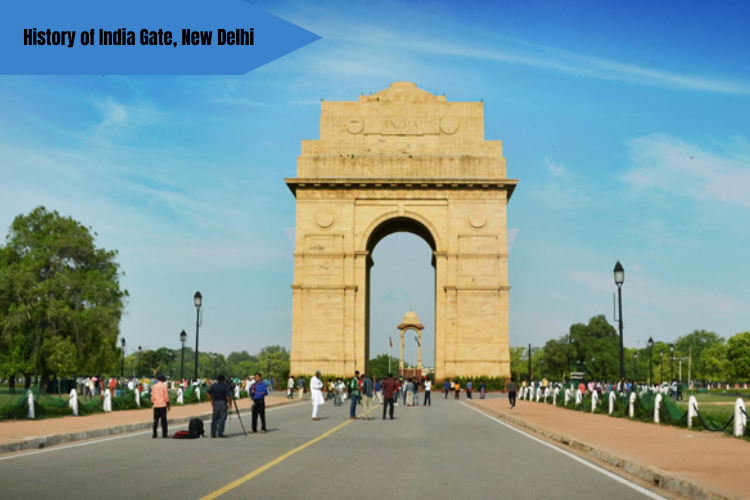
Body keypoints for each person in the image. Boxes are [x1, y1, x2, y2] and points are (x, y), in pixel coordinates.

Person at [207, 374, 232, 438]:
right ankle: (220, 433)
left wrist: (211, 401)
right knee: (222, 418)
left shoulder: (214, 386)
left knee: (214, 418)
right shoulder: (225, 386)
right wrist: (230, 404)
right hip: (223, 402)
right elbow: (227, 396)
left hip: (215, 403)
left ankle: (213, 433)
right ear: (223, 379)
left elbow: (207, 393)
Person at [151, 374, 170, 439]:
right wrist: (168, 405)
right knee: (163, 420)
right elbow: (166, 396)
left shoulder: (154, 386)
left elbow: (152, 396)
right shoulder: (164, 386)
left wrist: (153, 402)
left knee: (155, 420)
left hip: (156, 405)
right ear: (163, 380)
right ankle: (164, 434)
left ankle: (154, 434)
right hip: (162, 404)